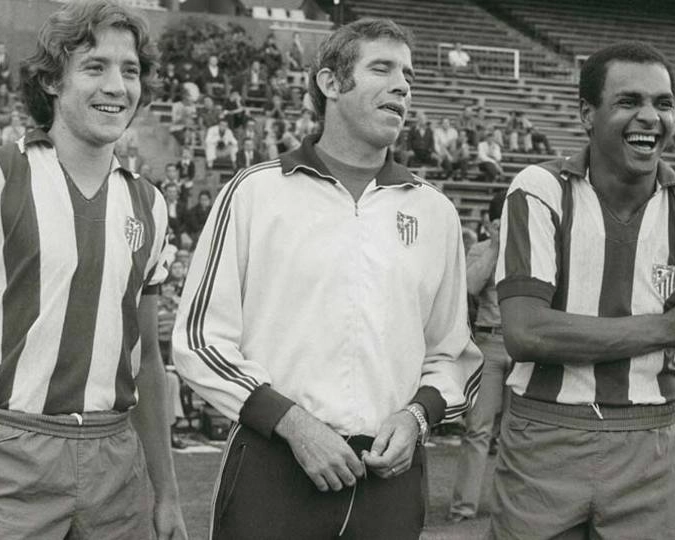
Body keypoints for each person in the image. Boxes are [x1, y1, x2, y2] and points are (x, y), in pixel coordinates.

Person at [173, 18, 481, 539]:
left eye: (407, 73)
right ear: (330, 83)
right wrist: (293, 424)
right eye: (380, 68)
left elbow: (452, 353)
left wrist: (416, 419)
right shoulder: (253, 193)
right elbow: (200, 340)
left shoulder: (435, 212)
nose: (402, 85)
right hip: (275, 462)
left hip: (391, 475)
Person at [0, 3, 187, 539]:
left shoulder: (150, 204)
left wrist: (167, 493)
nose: (117, 86)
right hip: (7, 457)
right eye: (95, 66)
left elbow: (145, 359)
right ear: (52, 79)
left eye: (130, 70)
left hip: (116, 464)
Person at [491, 42, 675, 540]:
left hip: (652, 449)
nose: (650, 117)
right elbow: (526, 332)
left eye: (663, 103)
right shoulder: (539, 189)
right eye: (628, 102)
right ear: (587, 113)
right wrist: (667, 328)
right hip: (544, 441)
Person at [447, 193, 511, 523]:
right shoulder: (479, 250)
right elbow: (471, 288)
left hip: (524, 348)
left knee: (520, 432)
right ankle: (463, 508)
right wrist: (496, 246)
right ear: (488, 225)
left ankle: (511, 508)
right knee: (478, 429)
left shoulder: (532, 249)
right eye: (500, 222)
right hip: (491, 342)